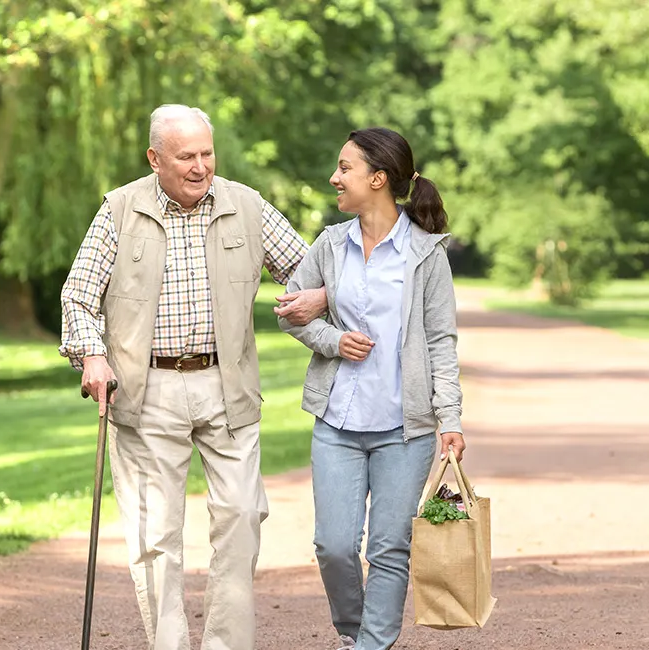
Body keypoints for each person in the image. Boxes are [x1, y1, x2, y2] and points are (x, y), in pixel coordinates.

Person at [58, 103, 326, 650]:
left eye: (207, 153)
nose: (200, 166)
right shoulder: (119, 210)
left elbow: (308, 271)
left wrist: (322, 294)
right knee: (156, 535)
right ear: (155, 158)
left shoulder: (245, 206)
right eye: (186, 157)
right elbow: (78, 298)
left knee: (241, 518)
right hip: (146, 389)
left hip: (227, 387)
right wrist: (91, 355)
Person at [278, 126, 466, 650]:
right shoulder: (330, 245)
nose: (334, 178)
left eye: (345, 168)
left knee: (389, 548)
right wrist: (334, 340)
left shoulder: (426, 255)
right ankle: (353, 633)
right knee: (334, 546)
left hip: (404, 432)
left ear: (378, 179)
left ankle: (371, 645)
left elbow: (441, 342)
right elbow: (290, 314)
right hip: (337, 422)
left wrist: (449, 417)